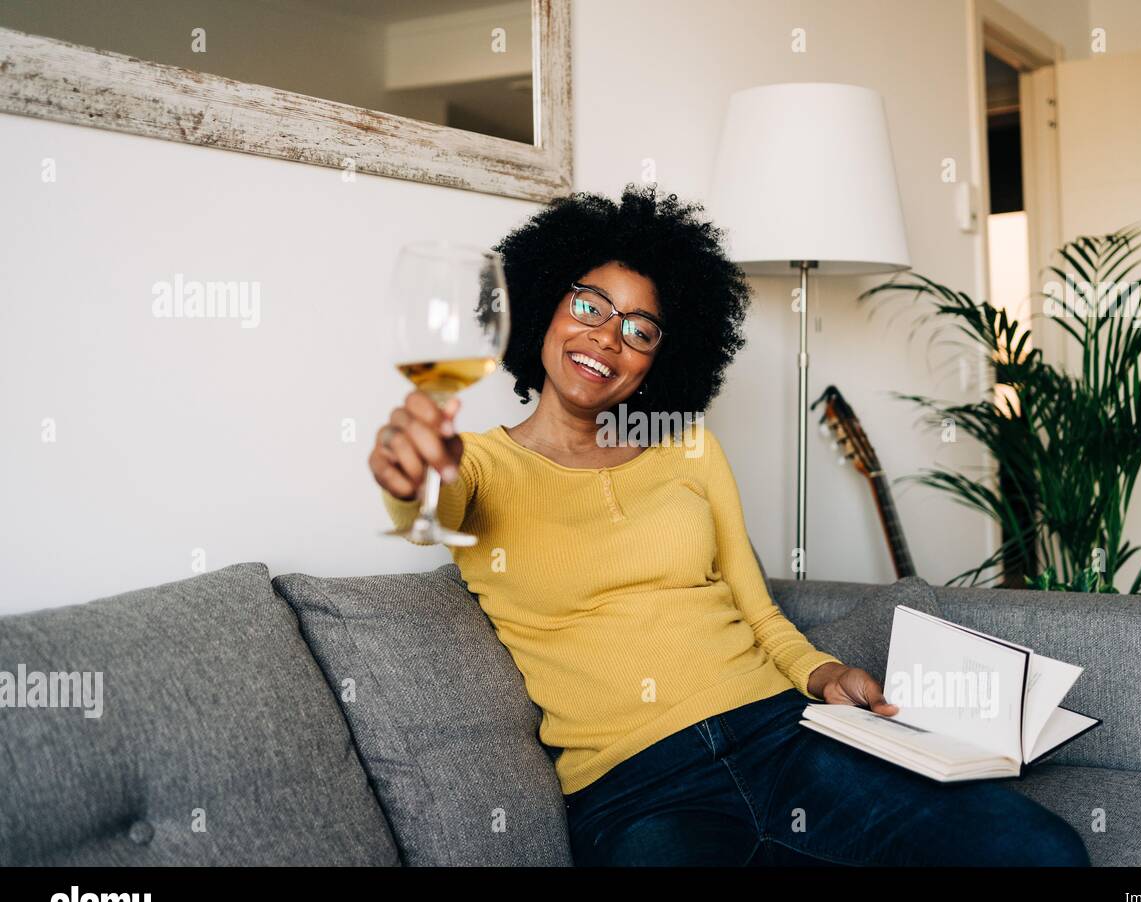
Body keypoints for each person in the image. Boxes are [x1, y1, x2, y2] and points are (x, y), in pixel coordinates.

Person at [369, 182, 1089, 867]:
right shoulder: (482, 467)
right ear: (543, 306)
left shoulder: (691, 449)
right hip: (637, 792)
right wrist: (408, 472)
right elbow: (429, 508)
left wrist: (823, 670)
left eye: (640, 328)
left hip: (786, 740)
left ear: (660, 360)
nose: (608, 339)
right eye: (590, 306)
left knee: (1041, 852)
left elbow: (757, 610)